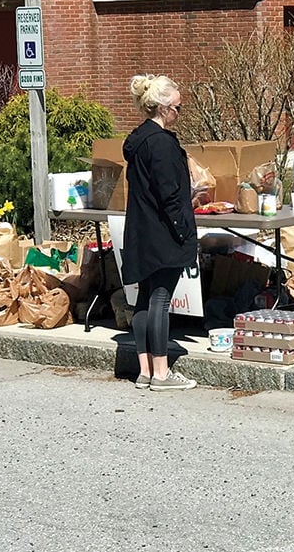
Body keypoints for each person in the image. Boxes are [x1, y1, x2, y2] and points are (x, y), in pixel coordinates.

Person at [121, 74, 198, 391]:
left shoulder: (137, 140)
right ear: (164, 108)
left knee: (143, 301)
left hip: (140, 230)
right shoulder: (162, 144)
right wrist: (183, 231)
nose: (180, 112)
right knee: (161, 299)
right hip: (163, 231)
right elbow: (169, 195)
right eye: (178, 107)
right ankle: (162, 373)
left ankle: (144, 370)